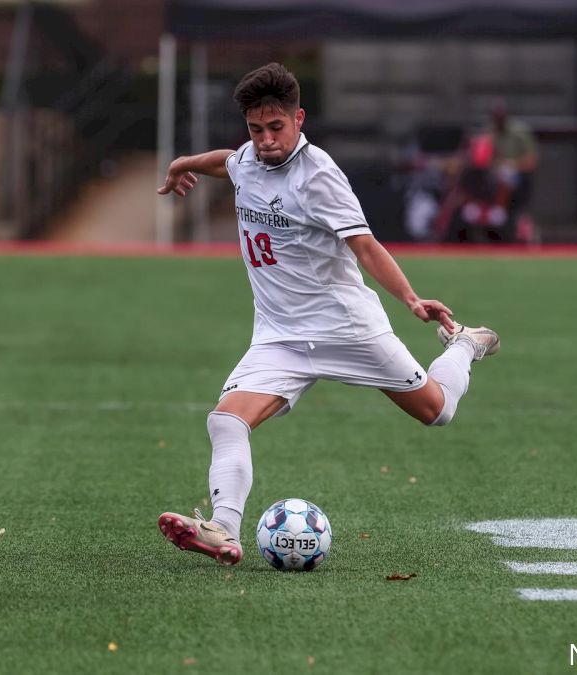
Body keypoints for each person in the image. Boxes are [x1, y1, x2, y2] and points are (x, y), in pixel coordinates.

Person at [155, 63, 500, 566]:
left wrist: (409, 299)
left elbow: (365, 245)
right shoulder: (248, 159)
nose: (267, 140)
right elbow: (226, 161)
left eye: (277, 127)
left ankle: (465, 344)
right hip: (280, 337)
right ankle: (222, 529)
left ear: (299, 119)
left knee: (437, 411)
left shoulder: (319, 176)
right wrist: (182, 163)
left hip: (348, 329)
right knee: (226, 421)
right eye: (257, 129)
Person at [434, 99, 538, 243]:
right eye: (495, 115)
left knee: (506, 174)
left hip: (511, 171)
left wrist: (510, 163)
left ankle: (498, 208)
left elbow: (531, 161)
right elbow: (477, 155)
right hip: (487, 170)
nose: (497, 118)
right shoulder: (487, 131)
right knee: (469, 175)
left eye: (500, 115)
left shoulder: (519, 132)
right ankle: (474, 206)